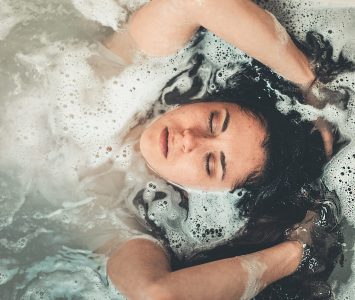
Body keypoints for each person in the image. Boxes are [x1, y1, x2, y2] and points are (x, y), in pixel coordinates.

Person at [103, 1, 351, 299]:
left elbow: (156, 293)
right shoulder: (118, 73)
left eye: (210, 164)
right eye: (213, 120)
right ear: (210, 97)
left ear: (197, 195)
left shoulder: (119, 220)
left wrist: (296, 251)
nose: (189, 139)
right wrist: (309, 84)